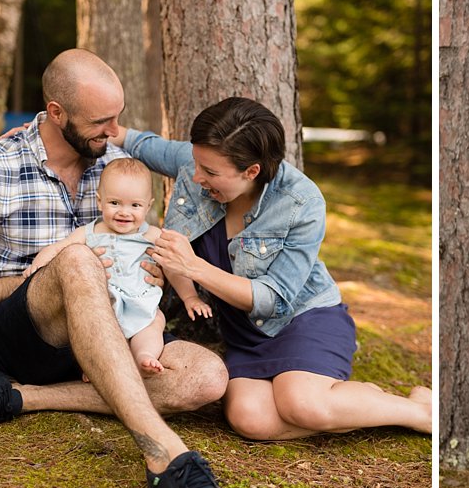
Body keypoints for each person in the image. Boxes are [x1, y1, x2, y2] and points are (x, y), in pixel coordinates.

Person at [0, 49, 246, 488]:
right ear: (57, 113)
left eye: (117, 118)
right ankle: (165, 453)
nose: (114, 131)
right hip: (28, 336)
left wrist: (161, 274)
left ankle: (20, 400)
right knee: (78, 260)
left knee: (207, 378)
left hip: (116, 336)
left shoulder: (120, 167)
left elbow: (153, 240)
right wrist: (50, 278)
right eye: (101, 121)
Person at [119, 96, 433, 441]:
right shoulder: (201, 163)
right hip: (245, 330)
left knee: (302, 405)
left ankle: (418, 410)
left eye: (209, 172)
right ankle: (355, 402)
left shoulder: (302, 202)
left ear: (251, 171)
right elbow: (152, 148)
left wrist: (192, 267)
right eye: (196, 163)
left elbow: (275, 299)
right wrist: (113, 132)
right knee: (249, 419)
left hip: (302, 317)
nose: (196, 177)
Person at [23, 158, 208, 374]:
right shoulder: (90, 233)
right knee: (88, 331)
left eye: (135, 205)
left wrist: (190, 297)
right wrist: (36, 268)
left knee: (154, 323)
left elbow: (174, 267)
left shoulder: (153, 236)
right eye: (115, 203)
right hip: (102, 306)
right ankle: (94, 366)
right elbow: (57, 249)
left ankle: (144, 357)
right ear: (99, 202)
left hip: (141, 305)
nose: (124, 212)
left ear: (148, 206)